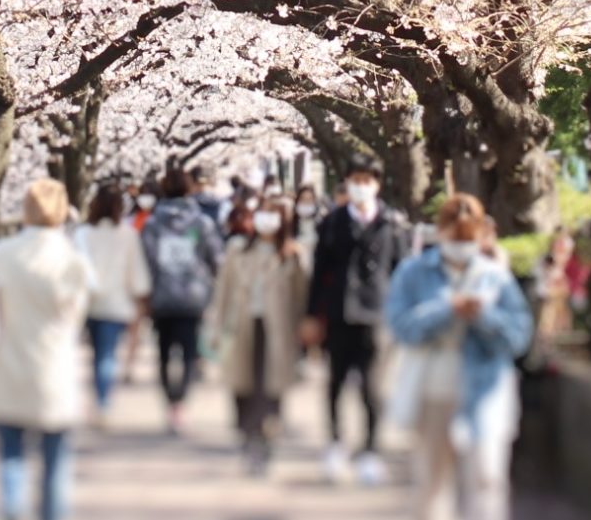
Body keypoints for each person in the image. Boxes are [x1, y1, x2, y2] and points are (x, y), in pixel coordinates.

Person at [386, 195, 533, 520]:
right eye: (455, 237)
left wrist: (483, 315)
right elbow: (399, 326)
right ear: (440, 232)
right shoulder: (414, 272)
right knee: (431, 483)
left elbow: (519, 336)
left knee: (486, 480)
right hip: (432, 392)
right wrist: (445, 310)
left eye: (469, 238)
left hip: (485, 391)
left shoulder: (496, 277)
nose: (462, 245)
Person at [0, 179, 92, 520]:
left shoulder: (1, 254)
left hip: (8, 365)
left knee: (11, 457)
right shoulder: (73, 261)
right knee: (55, 466)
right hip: (54, 369)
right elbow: (75, 319)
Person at [303, 162, 412, 486]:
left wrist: (403, 314)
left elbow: (402, 273)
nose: (360, 186)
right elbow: (318, 273)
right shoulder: (333, 223)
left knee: (372, 387)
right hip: (339, 313)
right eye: (355, 180)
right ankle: (336, 444)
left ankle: (370, 451)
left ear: (377, 184)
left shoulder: (393, 225)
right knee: (335, 382)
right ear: (347, 184)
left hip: (378, 314)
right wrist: (311, 315)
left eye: (366, 180)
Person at [211, 197, 307, 476]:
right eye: (263, 214)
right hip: (242, 325)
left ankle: (264, 436)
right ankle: (247, 431)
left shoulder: (292, 254)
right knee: (242, 383)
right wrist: (216, 327)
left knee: (271, 385)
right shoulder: (237, 249)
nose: (267, 220)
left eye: (273, 214)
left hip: (277, 329)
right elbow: (223, 291)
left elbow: (301, 297)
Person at [141, 166, 223, 434]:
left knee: (164, 352)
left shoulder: (153, 224)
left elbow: (147, 261)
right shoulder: (201, 222)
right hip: (193, 296)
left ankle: (170, 401)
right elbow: (216, 259)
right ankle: (181, 404)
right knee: (188, 354)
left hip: (162, 296)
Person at [77, 183, 151, 424]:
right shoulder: (128, 235)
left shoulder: (84, 234)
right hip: (117, 303)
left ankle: (99, 399)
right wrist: (140, 297)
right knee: (107, 353)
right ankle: (103, 402)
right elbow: (137, 274)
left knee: (97, 353)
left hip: (89, 302)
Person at [534, 230, 578, 338]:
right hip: (549, 292)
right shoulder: (546, 259)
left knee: (563, 317)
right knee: (548, 319)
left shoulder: (570, 261)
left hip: (564, 293)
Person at [293, 186, 323, 255]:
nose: (306, 202)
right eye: (303, 199)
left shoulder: (321, 223)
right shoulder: (291, 224)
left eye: (310, 199)